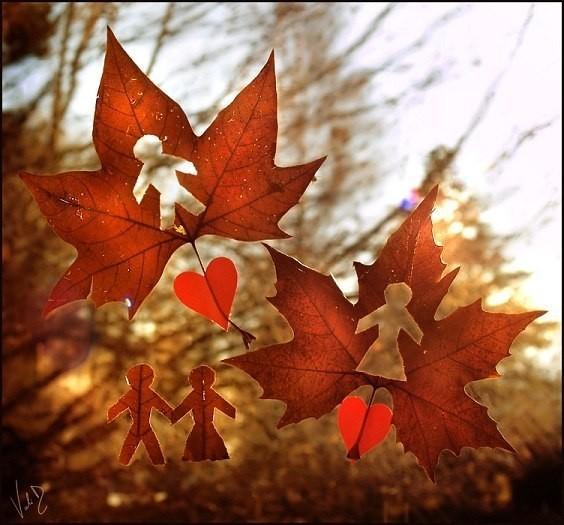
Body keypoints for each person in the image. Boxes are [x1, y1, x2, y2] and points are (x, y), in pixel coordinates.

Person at [132, 134, 205, 228]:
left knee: (175, 211)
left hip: (172, 191)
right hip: (174, 191)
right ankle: (169, 226)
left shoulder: (152, 166)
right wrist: (193, 169)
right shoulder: (155, 164)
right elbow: (141, 185)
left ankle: (168, 227)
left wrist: (137, 197)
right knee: (190, 205)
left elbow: (140, 186)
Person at [107, 363, 173, 465]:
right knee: (146, 446)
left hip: (141, 426)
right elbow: (118, 407)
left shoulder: (143, 395)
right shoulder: (140, 395)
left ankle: (158, 463)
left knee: (147, 447)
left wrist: (111, 414)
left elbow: (163, 407)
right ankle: (158, 463)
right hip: (140, 427)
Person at [356, 283, 423, 375]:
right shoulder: (392, 311)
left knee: (369, 370)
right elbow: (416, 332)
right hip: (384, 347)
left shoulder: (397, 313)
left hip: (386, 347)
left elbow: (415, 331)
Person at [172, 365, 236, 461]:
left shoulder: (208, 395)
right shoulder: (196, 396)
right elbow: (179, 412)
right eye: (198, 381)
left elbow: (229, 410)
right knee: (198, 450)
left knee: (212, 450)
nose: (201, 384)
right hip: (200, 429)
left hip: (206, 428)